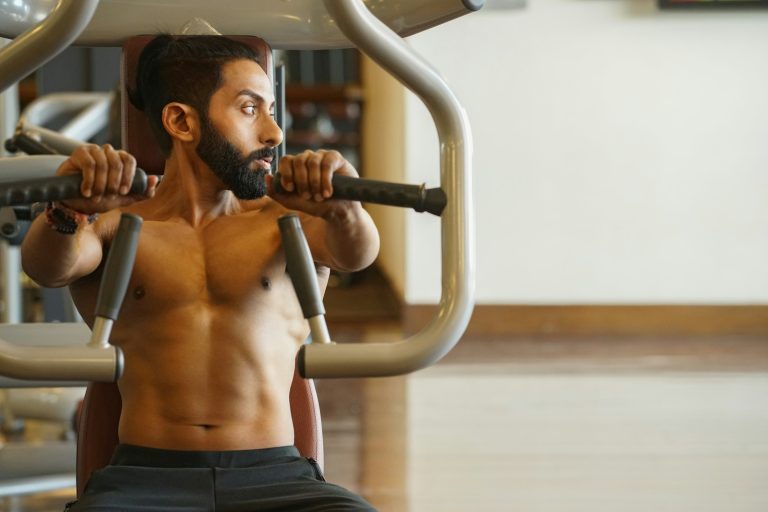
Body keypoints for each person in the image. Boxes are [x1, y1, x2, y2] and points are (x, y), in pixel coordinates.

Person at [21, 35, 379, 511]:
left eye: (271, 109)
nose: (274, 132)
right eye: (251, 109)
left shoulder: (286, 222)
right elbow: (47, 266)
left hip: (277, 479)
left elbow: (357, 254)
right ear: (181, 121)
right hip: (142, 482)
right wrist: (68, 210)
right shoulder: (119, 225)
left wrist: (345, 208)